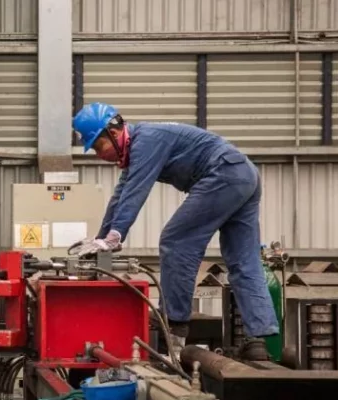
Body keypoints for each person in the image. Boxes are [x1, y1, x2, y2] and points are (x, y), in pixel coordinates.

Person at [70, 102, 279, 361]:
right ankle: (257, 341)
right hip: (244, 174)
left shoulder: (146, 141)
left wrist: (116, 236)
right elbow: (120, 197)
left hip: (222, 173)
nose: (100, 154)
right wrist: (102, 239)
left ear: (113, 132)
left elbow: (136, 191)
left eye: (99, 146)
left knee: (176, 241)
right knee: (243, 259)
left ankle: (175, 324)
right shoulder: (139, 148)